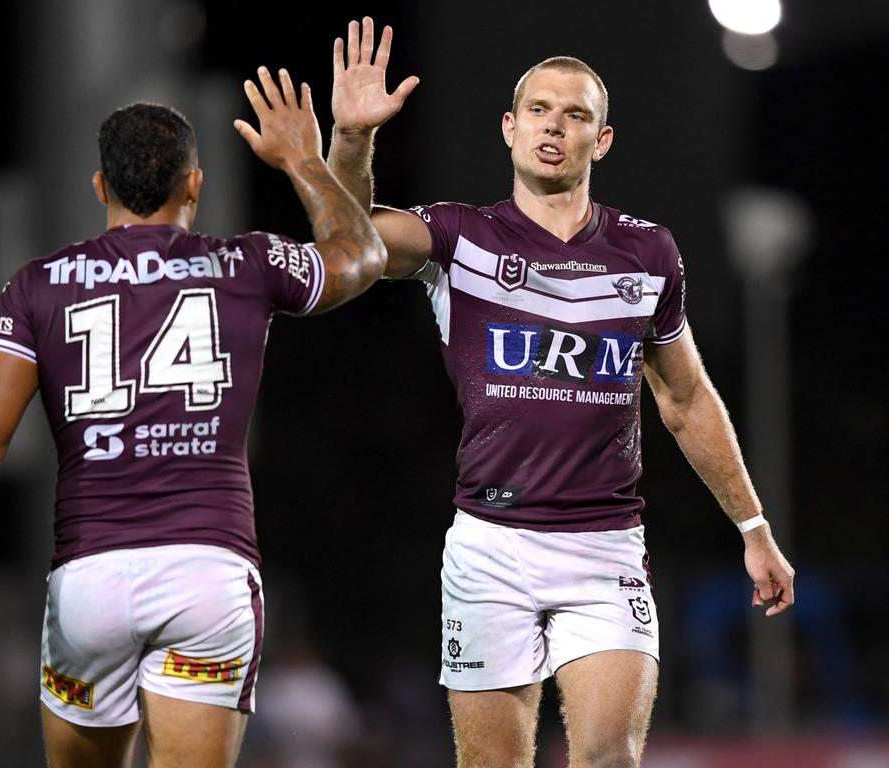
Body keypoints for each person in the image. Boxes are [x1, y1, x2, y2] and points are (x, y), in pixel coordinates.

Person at [0, 67, 385, 768]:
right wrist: (303, 157)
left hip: (93, 581)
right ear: (195, 185)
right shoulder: (245, 264)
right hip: (207, 574)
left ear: (99, 189)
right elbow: (361, 254)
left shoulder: (38, 285)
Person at [326, 17, 795, 768]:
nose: (556, 125)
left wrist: (754, 526)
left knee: (608, 758)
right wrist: (351, 141)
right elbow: (348, 247)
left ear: (599, 141)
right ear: (509, 128)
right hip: (490, 546)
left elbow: (685, 399)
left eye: (576, 114)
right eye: (540, 110)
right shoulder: (459, 237)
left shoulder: (648, 253)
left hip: (603, 547)